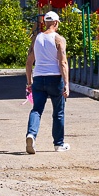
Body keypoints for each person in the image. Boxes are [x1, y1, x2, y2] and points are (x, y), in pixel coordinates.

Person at [24, 11, 70, 154]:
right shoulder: (58, 39)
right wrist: (67, 84)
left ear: (45, 23)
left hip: (38, 78)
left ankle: (31, 135)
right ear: (56, 23)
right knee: (58, 112)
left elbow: (29, 62)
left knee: (36, 110)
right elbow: (63, 62)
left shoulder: (36, 38)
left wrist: (29, 82)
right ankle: (58, 144)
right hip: (55, 79)